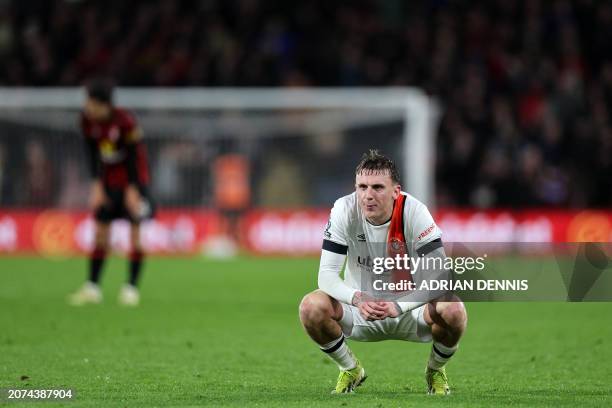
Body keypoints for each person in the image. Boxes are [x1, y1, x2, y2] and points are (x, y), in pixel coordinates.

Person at [299, 150, 467, 395]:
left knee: (453, 309)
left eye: (377, 187)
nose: (368, 195)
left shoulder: (414, 212)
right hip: (360, 309)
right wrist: (357, 298)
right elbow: (326, 275)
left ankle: (435, 370)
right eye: (362, 187)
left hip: (412, 309)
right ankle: (350, 368)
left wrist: (399, 306)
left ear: (395, 191)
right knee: (310, 307)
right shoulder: (344, 210)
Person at [68, 78, 154, 307]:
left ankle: (131, 289)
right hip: (108, 182)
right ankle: (92, 288)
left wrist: (134, 189)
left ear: (103, 104)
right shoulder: (87, 121)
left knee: (135, 235)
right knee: (100, 234)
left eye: (90, 102)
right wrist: (96, 185)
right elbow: (91, 153)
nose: (87, 106)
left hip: (134, 181)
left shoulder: (125, 121)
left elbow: (135, 156)